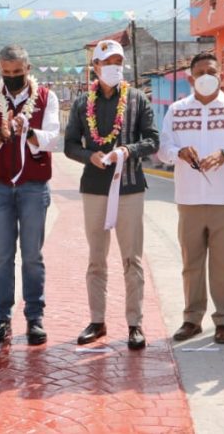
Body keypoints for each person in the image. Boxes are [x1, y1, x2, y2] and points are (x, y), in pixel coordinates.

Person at [64, 39, 159, 350]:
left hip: (130, 187)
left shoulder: (137, 100)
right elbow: (69, 145)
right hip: (94, 188)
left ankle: (134, 323)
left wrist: (126, 150)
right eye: (108, 62)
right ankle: (97, 320)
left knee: (132, 258)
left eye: (119, 61)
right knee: (96, 259)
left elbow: (153, 140)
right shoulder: (81, 104)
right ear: (95, 67)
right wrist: (87, 156)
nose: (114, 67)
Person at [158, 52, 224, 344]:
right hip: (188, 198)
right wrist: (179, 153)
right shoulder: (176, 110)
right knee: (192, 263)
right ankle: (192, 319)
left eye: (210, 71)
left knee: (223, 264)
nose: (205, 76)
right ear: (190, 78)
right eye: (199, 72)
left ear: (220, 75)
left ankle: (223, 320)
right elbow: (163, 148)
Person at [0, 45, 61, 346]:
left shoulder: (47, 98)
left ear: (28, 68)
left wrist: (30, 131)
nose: (12, 77)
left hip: (33, 187)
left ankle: (34, 319)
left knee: (33, 256)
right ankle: (1, 318)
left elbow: (52, 137)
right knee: (2, 256)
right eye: (6, 72)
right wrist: (0, 135)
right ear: (0, 69)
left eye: (17, 72)